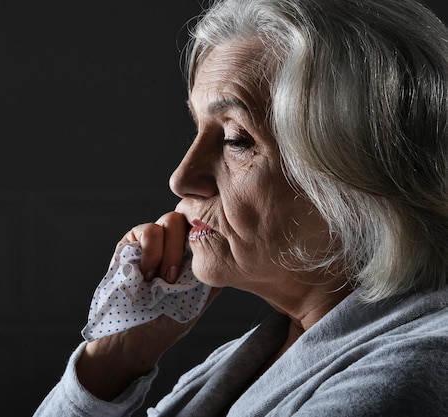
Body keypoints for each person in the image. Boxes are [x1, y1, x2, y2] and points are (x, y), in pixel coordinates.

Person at [34, 0, 448, 415]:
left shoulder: (406, 373)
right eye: (197, 129)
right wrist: (118, 360)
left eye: (236, 140)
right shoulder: (250, 357)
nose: (181, 178)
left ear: (365, 171)